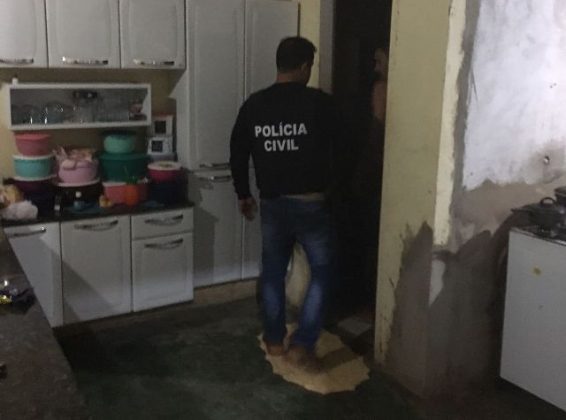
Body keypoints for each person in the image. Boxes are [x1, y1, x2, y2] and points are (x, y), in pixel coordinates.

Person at [230, 37, 340, 372]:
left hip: (272, 205)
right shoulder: (320, 103)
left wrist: (243, 193)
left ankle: (275, 341)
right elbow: (344, 147)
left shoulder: (254, 105)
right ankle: (302, 345)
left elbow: (237, 151)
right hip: (311, 205)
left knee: (274, 272)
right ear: (304, 66)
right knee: (323, 272)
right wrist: (337, 187)